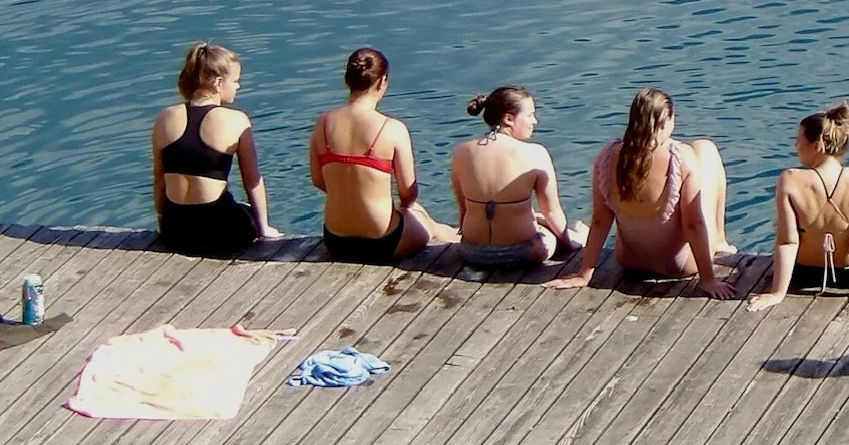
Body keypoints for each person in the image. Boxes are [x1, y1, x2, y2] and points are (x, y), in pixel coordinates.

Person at [547, 88, 735, 298]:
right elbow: (693, 224)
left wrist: (584, 273)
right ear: (666, 122)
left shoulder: (607, 155)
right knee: (705, 148)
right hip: (679, 264)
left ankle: (718, 241)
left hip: (630, 261)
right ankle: (720, 240)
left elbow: (600, 220)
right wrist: (708, 279)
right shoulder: (681, 157)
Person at [308, 47, 457, 264]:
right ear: (382, 82)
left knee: (413, 214)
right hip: (383, 242)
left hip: (336, 241)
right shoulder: (392, 128)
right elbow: (408, 193)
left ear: (347, 79)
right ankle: (462, 237)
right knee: (421, 216)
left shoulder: (323, 123)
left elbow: (318, 180)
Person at [746, 102, 849, 312]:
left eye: (799, 140)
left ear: (817, 146)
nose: (795, 146)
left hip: (803, 273)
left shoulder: (790, 180)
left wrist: (777, 293)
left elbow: (787, 242)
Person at [150, 42, 279, 255]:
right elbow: (252, 179)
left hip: (175, 231)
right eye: (235, 81)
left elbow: (158, 177)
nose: (238, 86)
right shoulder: (236, 120)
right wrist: (263, 227)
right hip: (219, 231)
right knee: (246, 212)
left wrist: (163, 223)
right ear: (218, 83)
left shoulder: (165, 117)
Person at [448, 86, 584, 275]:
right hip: (523, 252)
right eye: (530, 115)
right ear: (508, 119)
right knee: (559, 229)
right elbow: (553, 212)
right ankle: (580, 234)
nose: (535, 121)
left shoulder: (462, 151)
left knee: (537, 217)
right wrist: (571, 243)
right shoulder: (535, 153)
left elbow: (464, 210)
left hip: (471, 252)